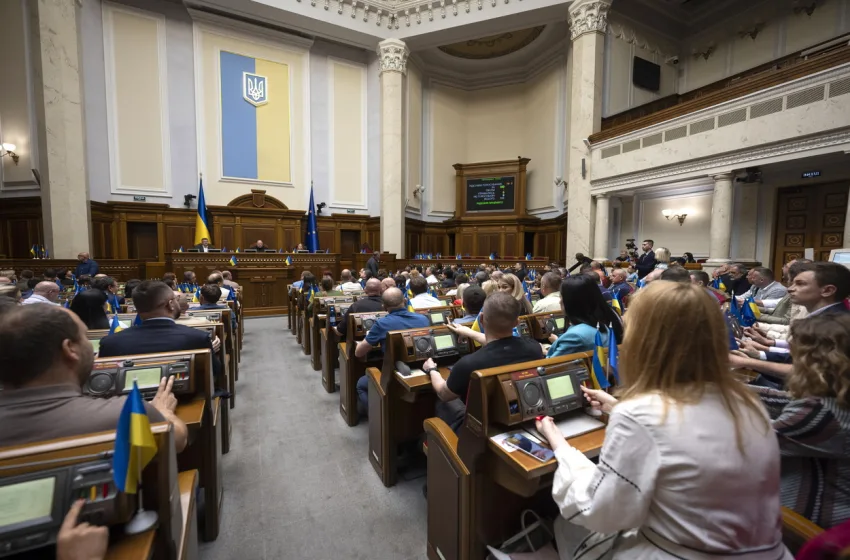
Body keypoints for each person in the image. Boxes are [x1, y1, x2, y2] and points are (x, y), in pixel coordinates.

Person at [537, 280, 787, 559]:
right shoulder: (746, 402)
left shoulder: (641, 415)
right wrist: (616, 406)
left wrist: (561, 447)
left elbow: (599, 512)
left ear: (643, 342)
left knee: (568, 526)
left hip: (678, 552)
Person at [0, 305, 187, 451]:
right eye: (85, 336)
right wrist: (164, 412)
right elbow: (177, 440)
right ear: (70, 349)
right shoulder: (126, 413)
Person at [751, 313, 850, 529]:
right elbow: (785, 401)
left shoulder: (821, 414)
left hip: (810, 525)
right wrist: (725, 388)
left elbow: (748, 446)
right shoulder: (837, 397)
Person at [424, 293, 543, 433]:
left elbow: (444, 394)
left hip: (479, 431)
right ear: (517, 322)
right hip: (522, 419)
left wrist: (432, 370)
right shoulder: (535, 348)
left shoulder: (468, 364)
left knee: (443, 401)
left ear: (481, 319)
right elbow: (501, 344)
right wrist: (469, 332)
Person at [731, 262, 850, 379]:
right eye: (792, 283)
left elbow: (810, 374)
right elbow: (799, 357)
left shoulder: (834, 325)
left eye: (800, 284)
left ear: (827, 290)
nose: (790, 289)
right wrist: (760, 353)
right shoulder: (823, 316)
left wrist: (749, 362)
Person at [98, 281, 222, 381]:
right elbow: (215, 373)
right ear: (170, 305)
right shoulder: (198, 338)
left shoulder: (109, 343)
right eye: (175, 299)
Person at [354, 288, 429, 415]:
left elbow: (359, 353)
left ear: (384, 307)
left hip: (393, 377)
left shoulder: (381, 324)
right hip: (422, 371)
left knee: (361, 385)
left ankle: (378, 418)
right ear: (405, 301)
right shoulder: (423, 319)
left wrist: (367, 339)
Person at [547, 274, 623, 358]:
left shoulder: (575, 336)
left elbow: (549, 367)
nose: (559, 302)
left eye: (561, 297)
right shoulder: (605, 322)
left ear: (571, 301)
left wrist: (544, 350)